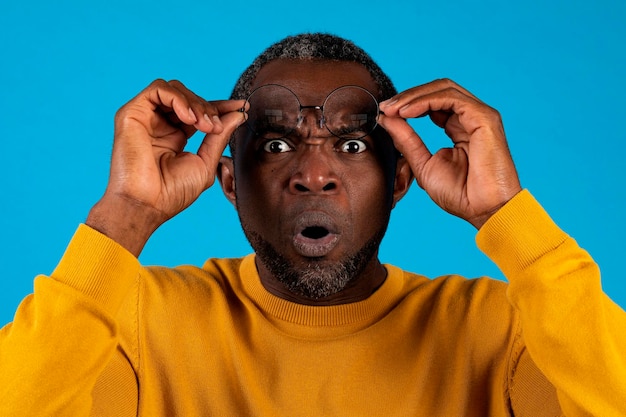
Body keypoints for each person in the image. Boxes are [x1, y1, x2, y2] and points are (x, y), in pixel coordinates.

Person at [0, 33, 624, 416]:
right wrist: (126, 216)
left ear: (401, 179)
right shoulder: (132, 324)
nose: (314, 174)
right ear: (228, 183)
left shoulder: (505, 330)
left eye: (352, 147)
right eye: (274, 146)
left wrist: (506, 216)